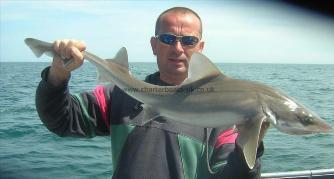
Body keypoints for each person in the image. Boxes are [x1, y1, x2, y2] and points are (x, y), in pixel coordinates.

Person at [36, 7, 264, 179]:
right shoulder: (120, 95)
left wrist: (250, 142)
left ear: (200, 48)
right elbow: (62, 121)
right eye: (167, 39)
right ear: (154, 45)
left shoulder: (224, 116)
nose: (178, 48)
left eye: (188, 41)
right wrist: (57, 74)